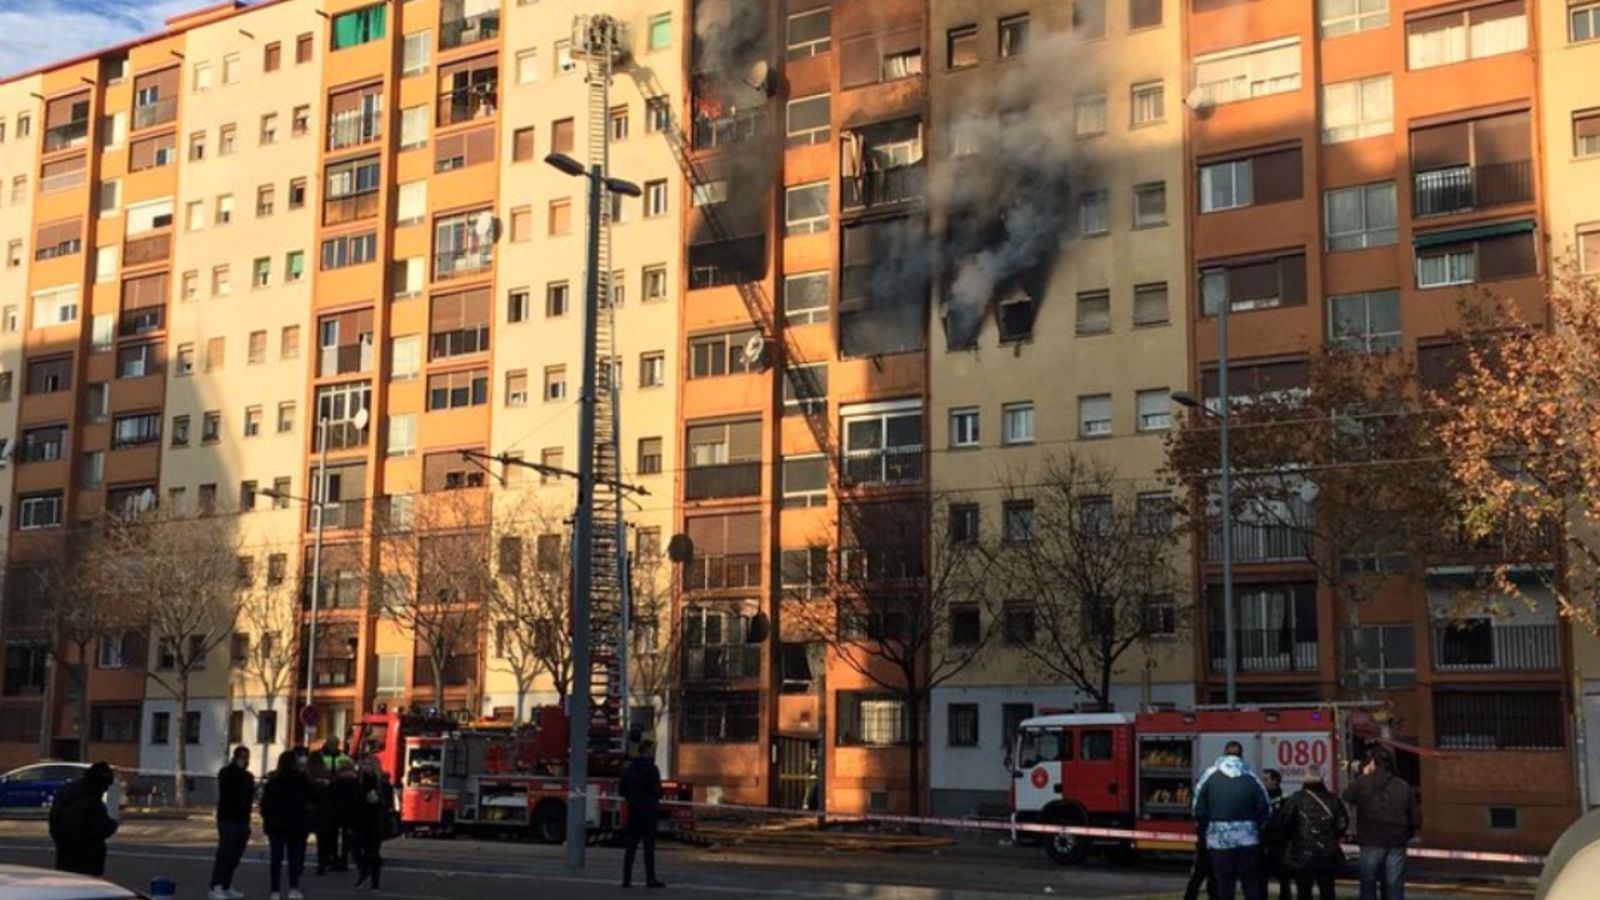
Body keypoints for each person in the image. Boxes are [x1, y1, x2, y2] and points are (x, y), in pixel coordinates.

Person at [1193, 740, 1271, 900]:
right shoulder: (1252, 777)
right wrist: (1257, 828)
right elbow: (1266, 809)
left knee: (1224, 884)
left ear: (1224, 753)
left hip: (1219, 840)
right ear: (1241, 755)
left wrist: (1206, 831)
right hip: (1248, 839)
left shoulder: (1209, 776)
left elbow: (1197, 809)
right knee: (1250, 883)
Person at [1342, 747, 1420, 900]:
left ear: (1373, 764)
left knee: (1368, 882)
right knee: (1394, 883)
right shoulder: (1402, 786)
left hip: (1371, 839)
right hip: (1396, 840)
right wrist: (1407, 834)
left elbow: (1347, 796)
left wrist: (1363, 776)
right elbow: (1415, 817)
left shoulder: (1363, 783)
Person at [1277, 766, 1348, 900]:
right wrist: (1332, 836)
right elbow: (1342, 823)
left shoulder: (1296, 799)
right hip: (1327, 852)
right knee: (1327, 889)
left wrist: (1292, 838)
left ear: (1304, 779)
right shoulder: (1332, 798)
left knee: (1303, 890)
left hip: (1302, 851)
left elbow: (1284, 821)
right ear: (1322, 779)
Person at [49, 762, 119, 877]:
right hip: (88, 856)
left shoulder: (67, 792)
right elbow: (100, 827)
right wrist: (113, 825)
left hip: (64, 851)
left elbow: (54, 821)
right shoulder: (92, 800)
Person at [261, 749, 311, 900]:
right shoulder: (301, 780)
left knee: (276, 859)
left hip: (276, 826)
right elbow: (313, 796)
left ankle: (275, 891)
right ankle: (293, 888)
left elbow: (265, 805)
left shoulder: (273, 781)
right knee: (293, 858)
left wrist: (268, 821)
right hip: (295, 825)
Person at [211, 746, 257, 900]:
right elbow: (229, 790)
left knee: (235, 855)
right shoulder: (226, 773)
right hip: (228, 819)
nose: (245, 761)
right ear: (236, 757)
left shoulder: (248, 776)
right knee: (225, 853)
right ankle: (216, 885)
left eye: (247, 757)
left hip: (242, 819)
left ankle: (226, 884)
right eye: (243, 757)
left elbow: (249, 794)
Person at [620, 738, 666, 889]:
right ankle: (650, 878)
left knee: (630, 847)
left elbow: (622, 790)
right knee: (648, 848)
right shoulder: (652, 769)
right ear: (647, 750)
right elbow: (657, 791)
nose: (654, 753)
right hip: (648, 811)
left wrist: (631, 797)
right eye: (652, 750)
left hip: (633, 811)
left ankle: (626, 879)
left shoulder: (629, 768)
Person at [351, 757, 395, 891]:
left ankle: (375, 882)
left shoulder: (382, 783)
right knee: (355, 850)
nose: (366, 767)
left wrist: (378, 800)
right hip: (360, 821)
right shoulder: (358, 782)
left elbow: (389, 803)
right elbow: (353, 800)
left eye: (369, 764)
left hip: (375, 821)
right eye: (364, 764)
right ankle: (364, 869)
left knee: (373, 853)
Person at [1259, 769, 1292, 900]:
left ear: (1275, 781)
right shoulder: (1261, 799)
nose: (1263, 783)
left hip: (1280, 845)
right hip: (1263, 844)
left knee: (1284, 879)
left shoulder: (1286, 800)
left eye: (1266, 780)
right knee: (1261, 879)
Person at [331, 759, 362, 877]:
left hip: (337, 811)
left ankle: (335, 860)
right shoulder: (355, 782)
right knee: (347, 838)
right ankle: (344, 860)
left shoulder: (336, 781)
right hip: (350, 812)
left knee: (334, 837)